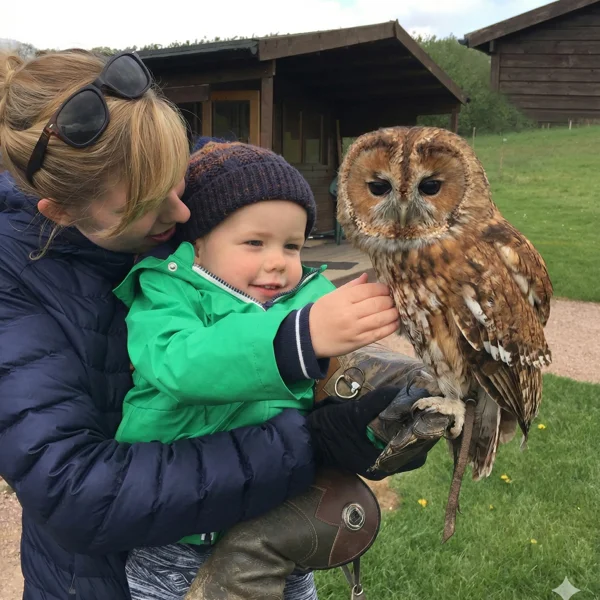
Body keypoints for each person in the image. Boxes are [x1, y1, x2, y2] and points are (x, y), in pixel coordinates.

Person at [0, 49, 430, 600]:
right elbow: (75, 491)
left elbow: (299, 276)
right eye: (147, 209)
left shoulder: (217, 181)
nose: (182, 215)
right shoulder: (18, 282)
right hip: (116, 574)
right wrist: (306, 443)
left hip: (262, 527)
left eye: (175, 175)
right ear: (59, 212)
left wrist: (366, 397)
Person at [114, 139, 408, 599]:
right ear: (199, 242)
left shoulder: (309, 300)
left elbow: (333, 394)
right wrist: (298, 339)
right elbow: (180, 365)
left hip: (279, 527)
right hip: (174, 540)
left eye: (292, 245)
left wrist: (377, 416)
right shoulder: (167, 291)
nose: (277, 262)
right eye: (254, 242)